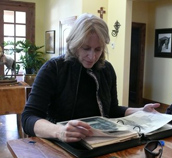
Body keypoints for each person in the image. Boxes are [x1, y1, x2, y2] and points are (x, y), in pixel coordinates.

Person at [21, 13, 160, 143]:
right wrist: (59, 131)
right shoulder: (53, 69)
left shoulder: (107, 70)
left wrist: (139, 111)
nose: (92, 56)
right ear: (74, 44)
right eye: (86, 48)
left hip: (100, 142)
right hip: (62, 146)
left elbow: (111, 110)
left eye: (98, 49)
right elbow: (28, 118)